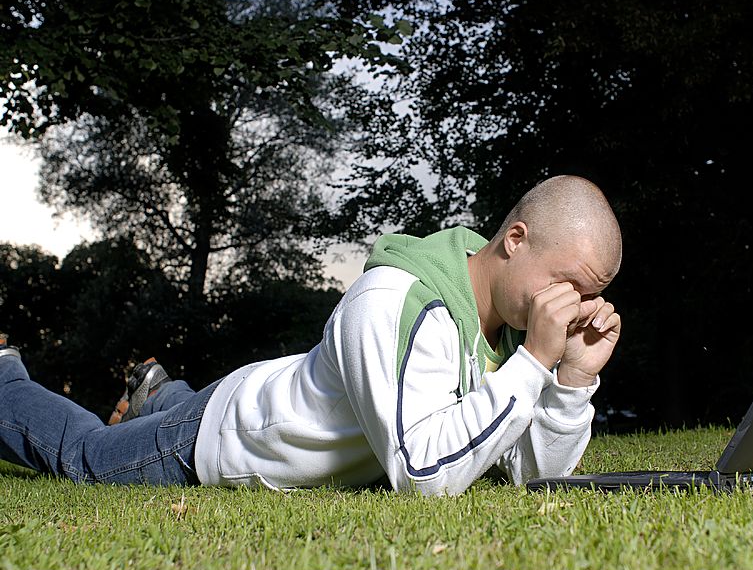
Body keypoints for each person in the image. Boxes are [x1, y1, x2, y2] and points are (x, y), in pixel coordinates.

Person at [0, 175, 622, 496]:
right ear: (515, 240)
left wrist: (570, 378)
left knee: (175, 409)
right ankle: (6, 378)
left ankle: (160, 395)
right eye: (572, 283)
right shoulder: (393, 302)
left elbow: (525, 474)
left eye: (592, 293)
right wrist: (536, 362)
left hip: (266, 394)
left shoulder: (507, 324)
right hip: (224, 438)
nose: (579, 307)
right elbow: (425, 476)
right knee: (81, 459)